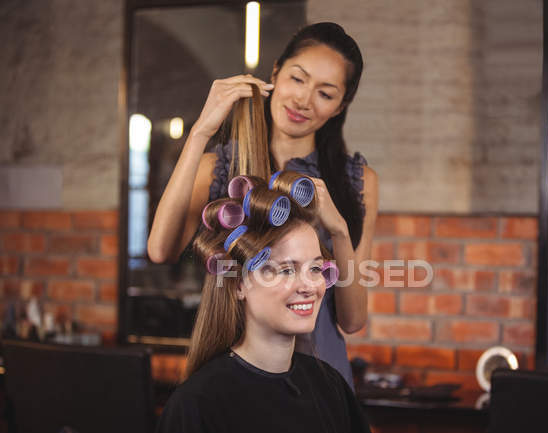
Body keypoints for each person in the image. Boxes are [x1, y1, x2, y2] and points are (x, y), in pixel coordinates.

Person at [147, 22, 378, 387]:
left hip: (320, 373)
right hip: (231, 364)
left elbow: (351, 320)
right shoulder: (219, 168)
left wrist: (338, 229)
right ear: (275, 73)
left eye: (326, 93)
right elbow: (161, 249)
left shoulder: (356, 180)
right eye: (298, 79)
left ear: (340, 107)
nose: (304, 100)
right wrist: (200, 133)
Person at [155, 184, 372, 433]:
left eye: (315, 268)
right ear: (238, 284)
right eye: (287, 270)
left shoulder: (330, 387)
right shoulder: (197, 404)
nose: (310, 286)